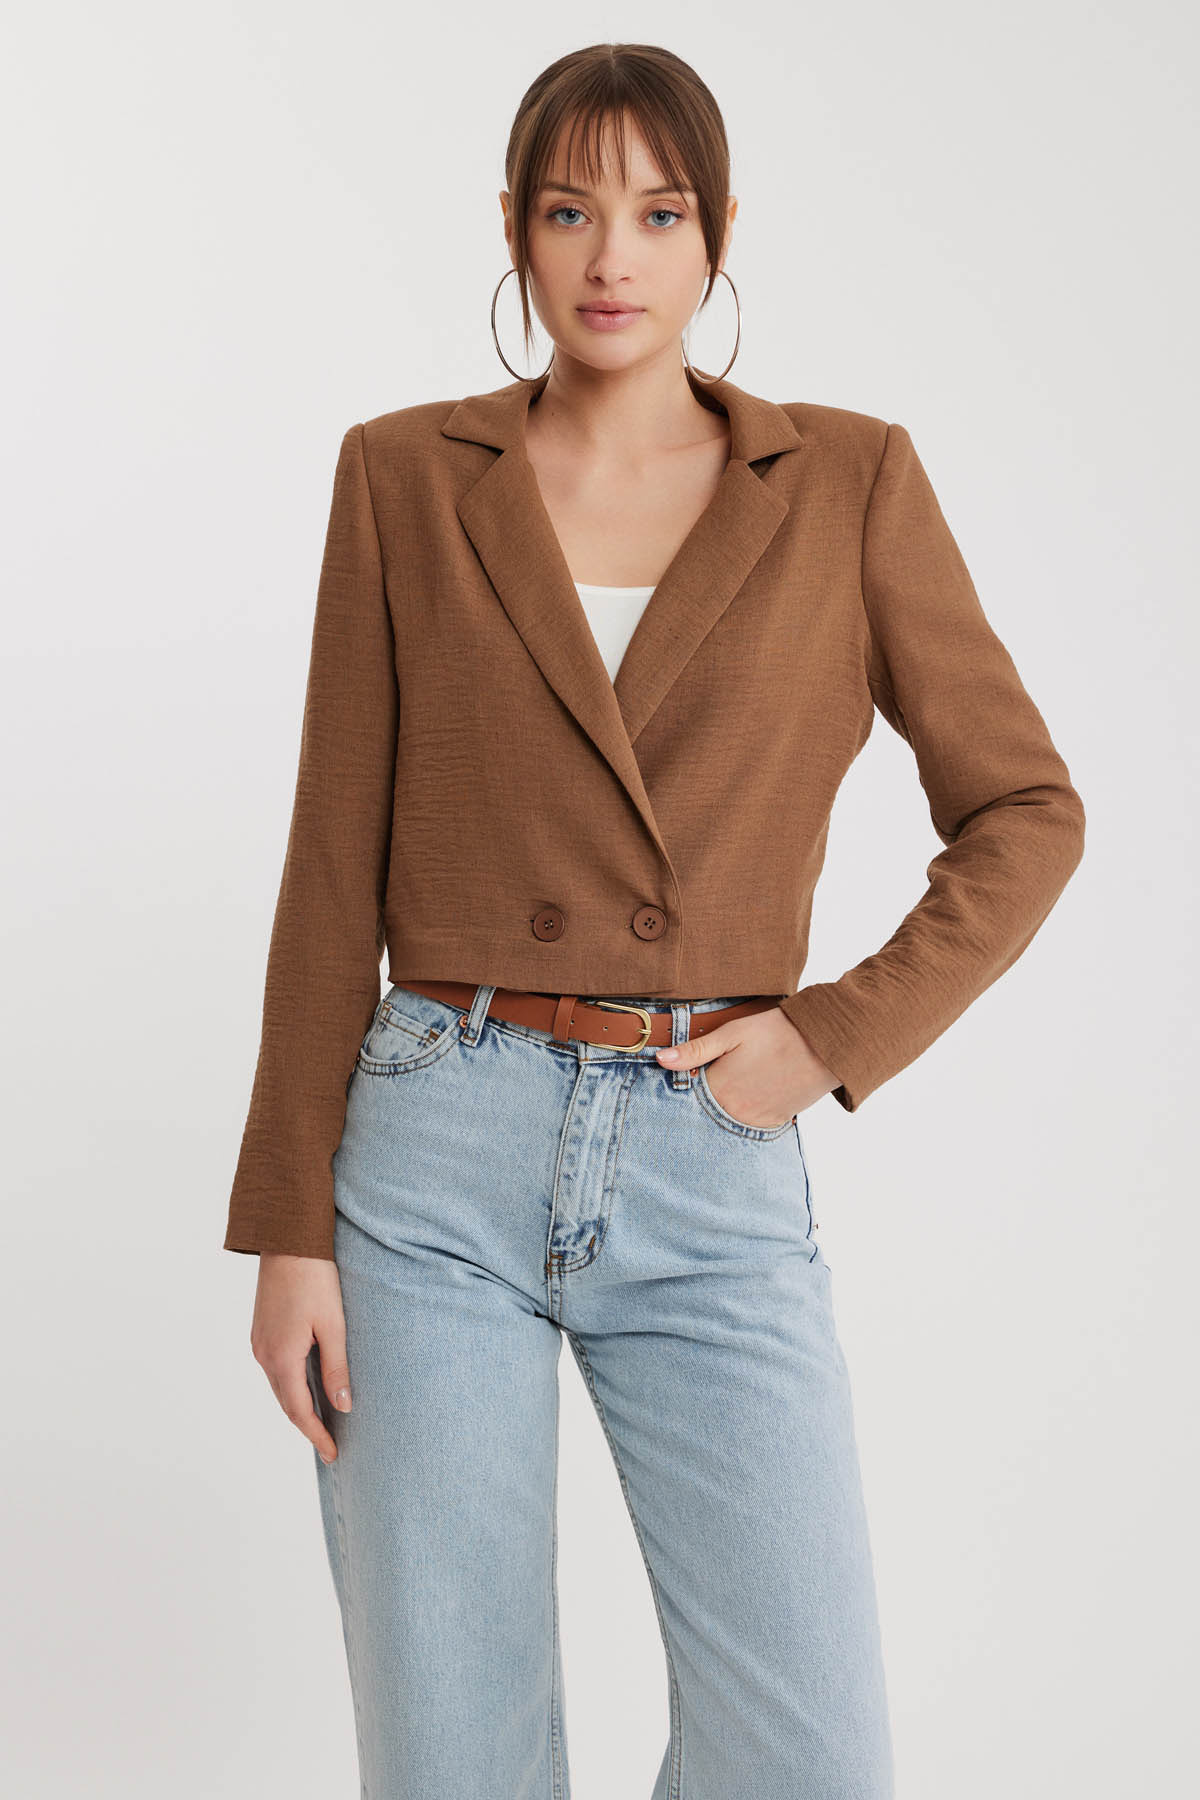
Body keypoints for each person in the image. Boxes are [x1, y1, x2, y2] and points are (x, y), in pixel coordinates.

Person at [225, 42, 1085, 1800]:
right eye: (569, 212)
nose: (612, 255)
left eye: (658, 212)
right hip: (432, 1152)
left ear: (719, 235)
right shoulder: (404, 477)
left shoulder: (847, 482)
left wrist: (829, 1036)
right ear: (514, 232)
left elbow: (1026, 812)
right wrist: (287, 1226)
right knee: (451, 1755)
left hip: (712, 1152)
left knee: (812, 1755)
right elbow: (329, 866)